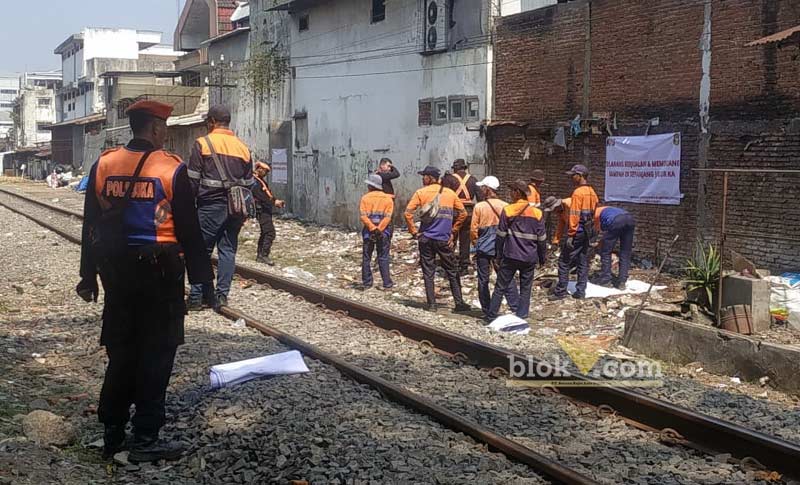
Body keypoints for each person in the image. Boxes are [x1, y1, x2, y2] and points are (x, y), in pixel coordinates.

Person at [76, 100, 214, 463]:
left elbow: (90, 225)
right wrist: (205, 282)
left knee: (121, 352)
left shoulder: (104, 164)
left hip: (116, 276)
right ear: (155, 129)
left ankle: (112, 433)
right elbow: (190, 230)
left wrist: (87, 276)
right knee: (156, 354)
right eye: (163, 127)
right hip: (160, 276)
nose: (164, 132)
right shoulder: (171, 169)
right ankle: (146, 438)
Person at [186, 105, 253, 309]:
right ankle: (221, 296)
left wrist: (188, 207)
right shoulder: (242, 147)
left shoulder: (203, 144)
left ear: (212, 121)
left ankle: (196, 298)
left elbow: (192, 181)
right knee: (227, 250)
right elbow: (250, 184)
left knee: (200, 251)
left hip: (209, 206)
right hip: (236, 208)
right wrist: (246, 212)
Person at [404, 165, 471, 312]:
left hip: (426, 238)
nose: (423, 179)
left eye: (424, 176)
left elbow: (408, 213)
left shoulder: (421, 193)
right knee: (452, 271)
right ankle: (459, 303)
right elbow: (463, 214)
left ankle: (432, 304)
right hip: (443, 239)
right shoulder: (450, 194)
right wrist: (453, 231)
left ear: (430, 178)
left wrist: (414, 232)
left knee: (428, 272)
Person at [485, 181, 547, 321]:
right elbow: (542, 239)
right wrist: (542, 258)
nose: (510, 194)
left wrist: (497, 255)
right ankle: (522, 315)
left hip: (511, 255)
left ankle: (491, 315)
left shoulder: (508, 210)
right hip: (529, 257)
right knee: (526, 288)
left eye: (512, 190)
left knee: (501, 287)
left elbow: (500, 236)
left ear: (518, 193)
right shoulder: (537, 213)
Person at [470, 175, 519, 315]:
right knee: (506, 278)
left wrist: (476, 243)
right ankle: (515, 307)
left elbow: (473, 230)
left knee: (483, 279)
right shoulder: (506, 206)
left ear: (487, 189)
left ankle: (487, 310)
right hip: (501, 248)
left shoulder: (479, 207)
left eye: (482, 188)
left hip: (483, 248)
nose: (480, 190)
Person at [550, 164, 599, 300]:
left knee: (564, 261)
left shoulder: (577, 193)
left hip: (578, 231)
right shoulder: (592, 192)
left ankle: (560, 292)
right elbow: (594, 213)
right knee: (582, 260)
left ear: (580, 176)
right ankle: (580, 291)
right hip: (588, 231)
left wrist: (571, 235)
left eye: (573, 175)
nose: (572, 178)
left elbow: (575, 215)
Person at [442, 159, 481, 273]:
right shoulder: (473, 180)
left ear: (454, 168)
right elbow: (480, 198)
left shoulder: (449, 179)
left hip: (453, 212)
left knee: (450, 237)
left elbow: (443, 195)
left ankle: (449, 263)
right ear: (464, 168)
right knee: (465, 239)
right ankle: (464, 265)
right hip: (468, 212)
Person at [359, 174, 395, 289]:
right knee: (383, 257)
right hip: (383, 232)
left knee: (366, 257)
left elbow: (363, 216)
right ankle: (387, 283)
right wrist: (379, 229)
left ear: (370, 186)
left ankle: (367, 283)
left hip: (368, 232)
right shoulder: (388, 199)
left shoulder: (365, 198)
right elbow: (388, 217)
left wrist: (373, 228)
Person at [593, 205, 635, 289]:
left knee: (606, 252)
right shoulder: (608, 210)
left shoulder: (595, 214)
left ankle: (606, 280)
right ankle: (622, 281)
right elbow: (606, 233)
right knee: (625, 252)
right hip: (630, 219)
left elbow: (598, 231)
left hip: (617, 221)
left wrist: (598, 244)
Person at [252, 161, 285, 265]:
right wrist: (274, 202)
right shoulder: (254, 181)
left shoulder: (260, 181)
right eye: (264, 170)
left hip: (265, 210)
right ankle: (264, 255)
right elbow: (262, 197)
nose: (265, 173)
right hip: (261, 210)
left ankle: (260, 255)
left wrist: (275, 200)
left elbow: (267, 194)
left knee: (265, 232)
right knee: (270, 233)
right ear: (259, 169)